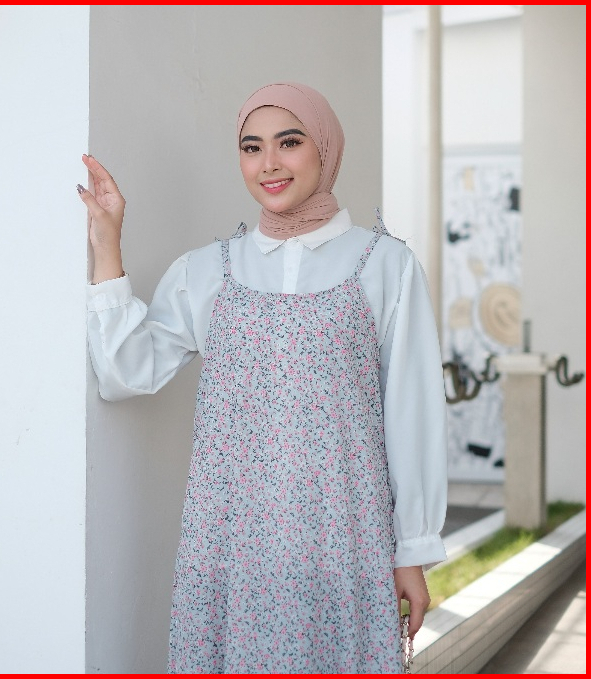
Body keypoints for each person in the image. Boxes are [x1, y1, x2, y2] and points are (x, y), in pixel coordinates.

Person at [80, 82, 448, 674]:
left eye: (290, 142)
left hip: (343, 538)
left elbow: (413, 413)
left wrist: (413, 549)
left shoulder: (385, 266)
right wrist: (108, 243)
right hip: (231, 542)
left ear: (325, 148)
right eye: (252, 148)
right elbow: (126, 371)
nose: (269, 163)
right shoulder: (207, 271)